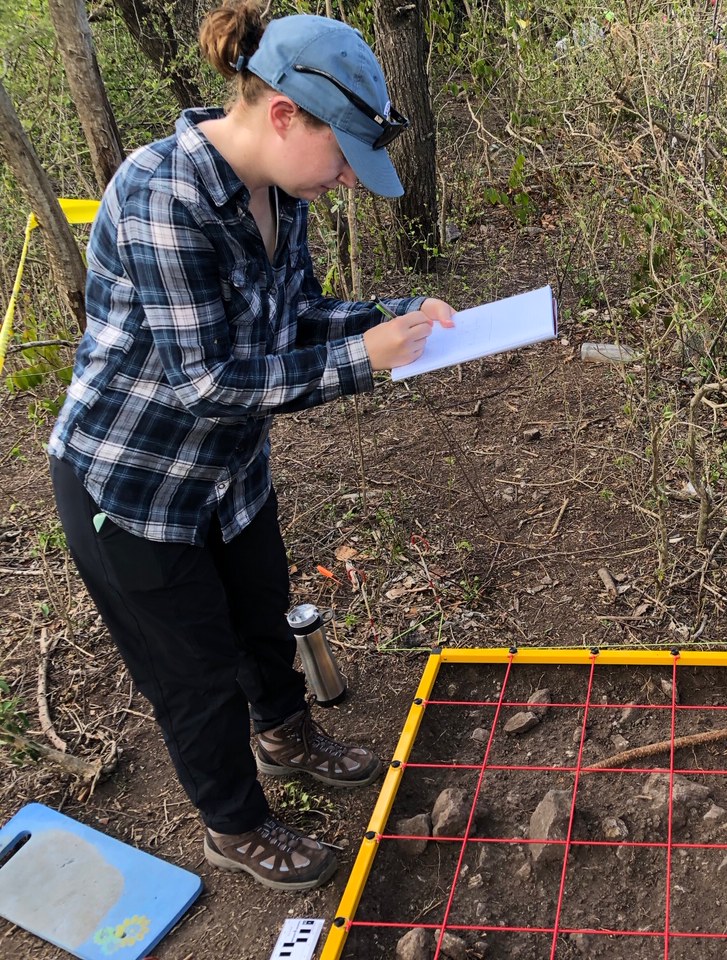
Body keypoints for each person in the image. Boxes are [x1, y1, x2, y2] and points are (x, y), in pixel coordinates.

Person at [47, 0, 455, 889]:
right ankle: (233, 825)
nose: (347, 179)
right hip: (133, 486)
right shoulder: (161, 193)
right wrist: (364, 360)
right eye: (343, 156)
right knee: (192, 674)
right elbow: (206, 381)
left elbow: (295, 314)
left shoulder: (281, 193)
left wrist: (396, 321)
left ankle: (286, 735)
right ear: (282, 114)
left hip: (229, 472)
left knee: (262, 617)